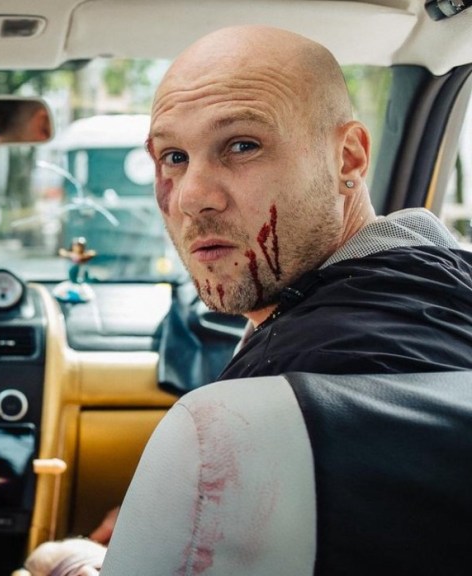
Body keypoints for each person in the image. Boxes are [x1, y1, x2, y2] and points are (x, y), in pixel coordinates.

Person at [26, 25, 472, 575]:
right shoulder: (448, 288)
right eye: (172, 157)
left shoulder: (259, 414)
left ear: (349, 159)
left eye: (243, 145)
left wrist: (70, 560)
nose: (193, 198)